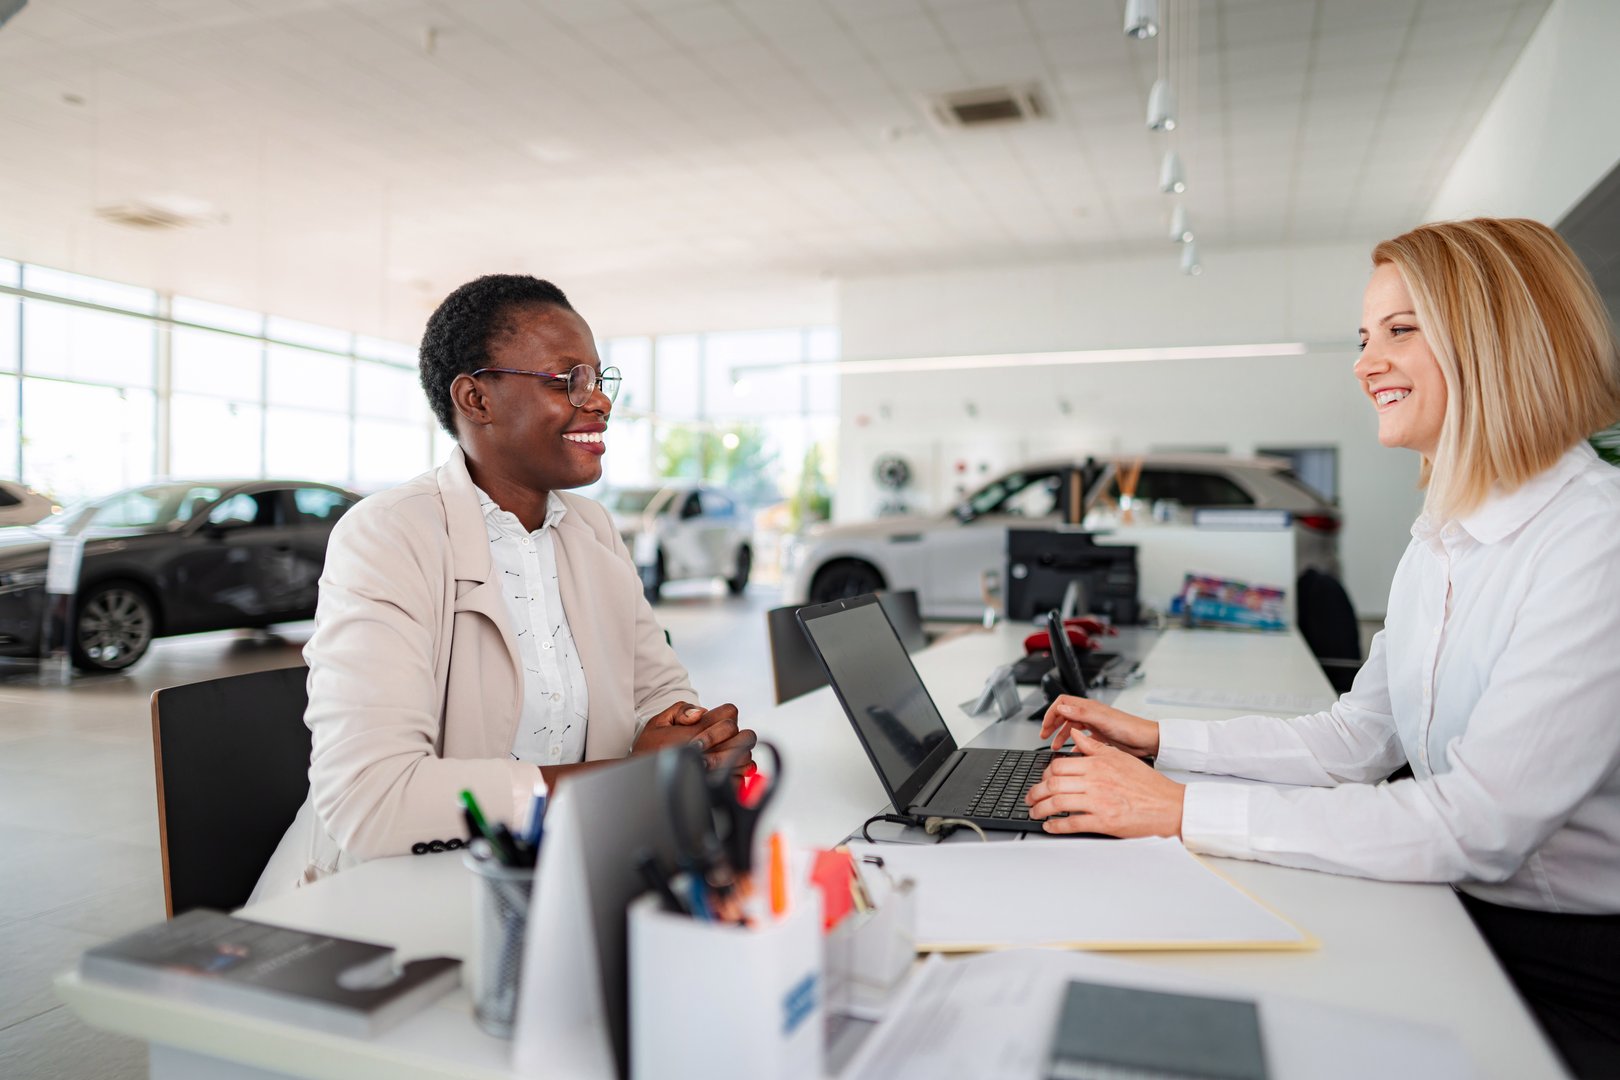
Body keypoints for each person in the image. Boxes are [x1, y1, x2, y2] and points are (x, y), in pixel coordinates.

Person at [1026, 218, 1620, 1076]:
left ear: (1495, 340)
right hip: (1468, 912)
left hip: (1573, 961)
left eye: (1400, 330)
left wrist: (1177, 810)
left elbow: (1477, 825)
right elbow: (1356, 739)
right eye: (1363, 337)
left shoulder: (1592, 539)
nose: (1364, 361)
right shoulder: (1444, 535)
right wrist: (1158, 741)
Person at [253, 275, 755, 902]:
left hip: (555, 880)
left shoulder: (593, 530)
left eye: (599, 379)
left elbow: (658, 690)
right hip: (376, 904)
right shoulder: (388, 535)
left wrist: (690, 739)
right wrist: (625, 778)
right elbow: (373, 799)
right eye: (567, 379)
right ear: (476, 399)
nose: (598, 401)